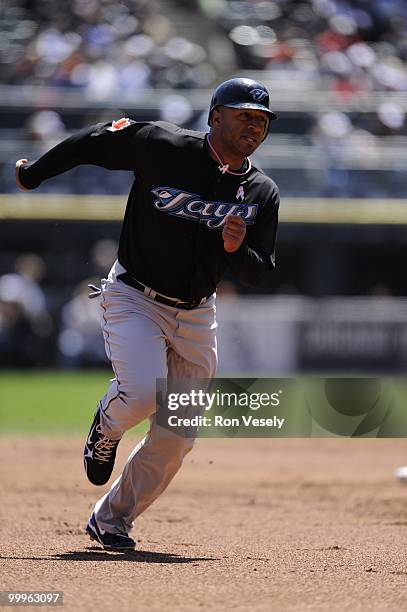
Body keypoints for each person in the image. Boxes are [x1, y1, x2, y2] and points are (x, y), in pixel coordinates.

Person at [15, 77, 280, 551]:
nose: (253, 126)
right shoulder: (163, 146)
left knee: (177, 434)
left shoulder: (261, 191)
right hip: (135, 295)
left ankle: (112, 519)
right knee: (139, 394)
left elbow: (259, 273)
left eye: (261, 120)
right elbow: (93, 141)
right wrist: (34, 173)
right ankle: (105, 429)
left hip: (198, 314)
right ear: (214, 117)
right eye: (243, 115)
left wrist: (237, 250)